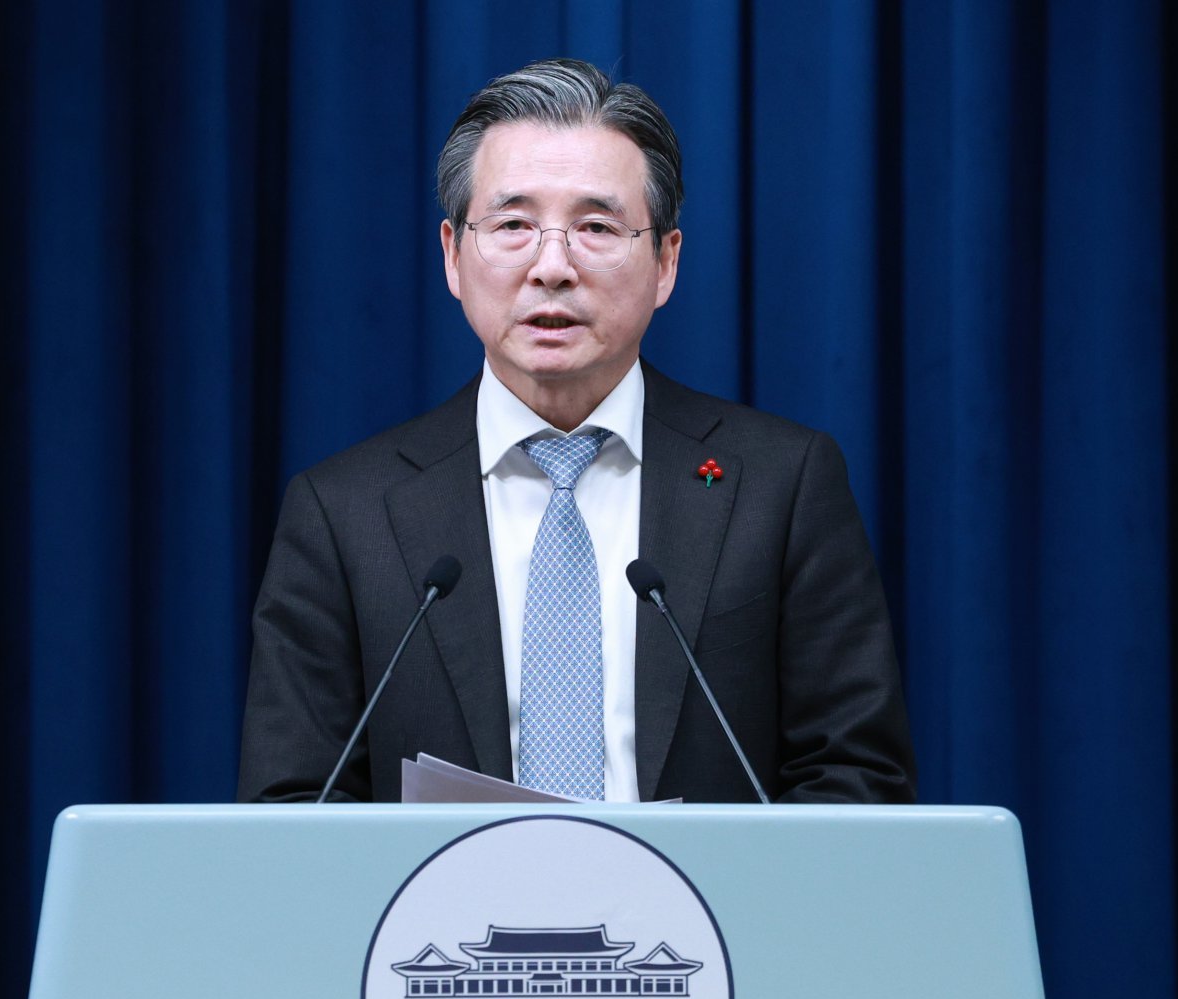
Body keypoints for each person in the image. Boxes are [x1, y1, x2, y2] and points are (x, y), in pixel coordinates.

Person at [237, 58, 915, 804]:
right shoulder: (344, 514)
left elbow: (857, 781)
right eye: (513, 225)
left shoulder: (782, 486)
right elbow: (293, 810)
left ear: (665, 262)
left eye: (596, 227)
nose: (552, 267)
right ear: (453, 256)